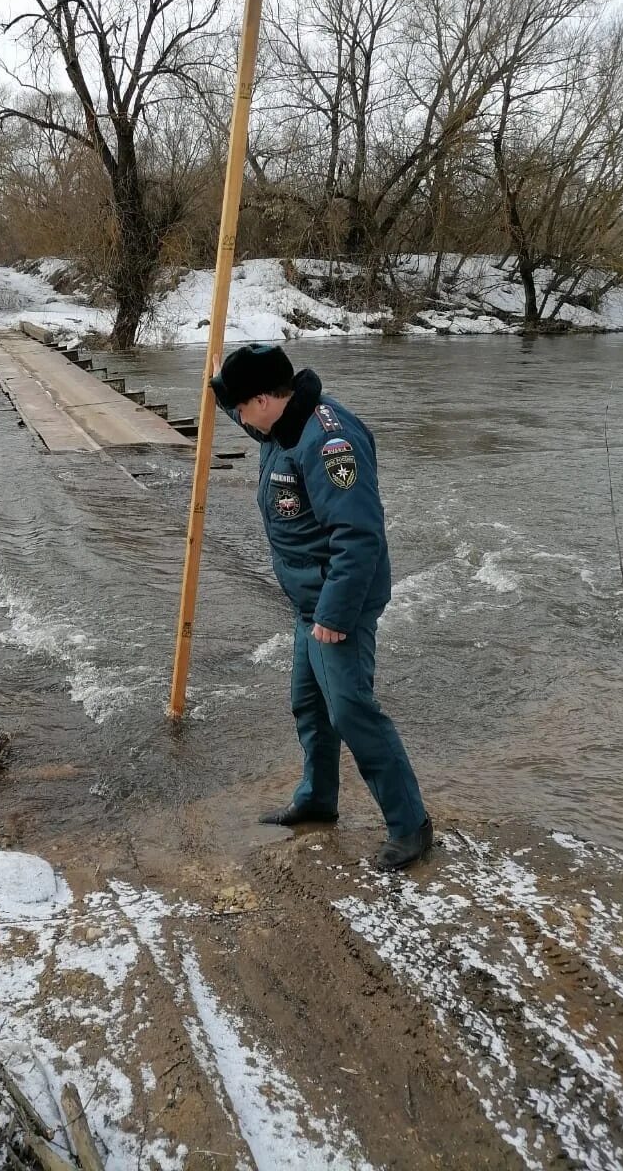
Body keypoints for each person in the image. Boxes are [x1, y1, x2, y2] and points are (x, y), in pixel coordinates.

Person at [210, 342, 432, 871]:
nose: (241, 420)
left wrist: (334, 616)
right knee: (308, 706)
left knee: (352, 711)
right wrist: (220, 387)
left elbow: (358, 537)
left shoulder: (330, 440)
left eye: (242, 408)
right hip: (308, 600)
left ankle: (410, 824)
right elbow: (250, 419)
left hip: (339, 603)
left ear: (264, 398)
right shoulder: (283, 421)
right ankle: (318, 797)